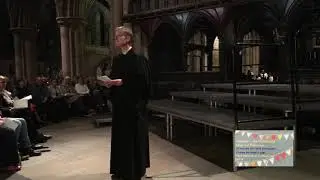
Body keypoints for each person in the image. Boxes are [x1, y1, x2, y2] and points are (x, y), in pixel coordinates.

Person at [103, 26, 152, 180]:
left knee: (134, 139)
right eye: (116, 37)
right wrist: (109, 83)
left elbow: (144, 84)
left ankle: (136, 171)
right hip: (120, 107)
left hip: (134, 108)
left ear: (127, 38)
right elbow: (114, 78)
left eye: (119, 36)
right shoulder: (117, 60)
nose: (116, 39)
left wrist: (122, 82)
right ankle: (121, 170)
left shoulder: (139, 59)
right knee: (120, 140)